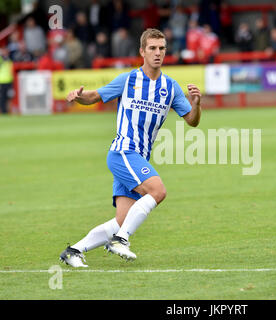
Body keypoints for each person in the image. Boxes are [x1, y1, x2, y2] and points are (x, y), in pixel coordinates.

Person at [59, 28, 202, 267]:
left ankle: (74, 251)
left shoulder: (171, 87)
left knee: (122, 219)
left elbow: (192, 121)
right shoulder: (129, 79)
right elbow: (94, 96)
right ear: (142, 52)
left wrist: (196, 104)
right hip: (123, 152)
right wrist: (78, 96)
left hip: (137, 158)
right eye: (152, 48)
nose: (158, 53)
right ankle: (121, 240)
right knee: (158, 191)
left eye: (162, 48)